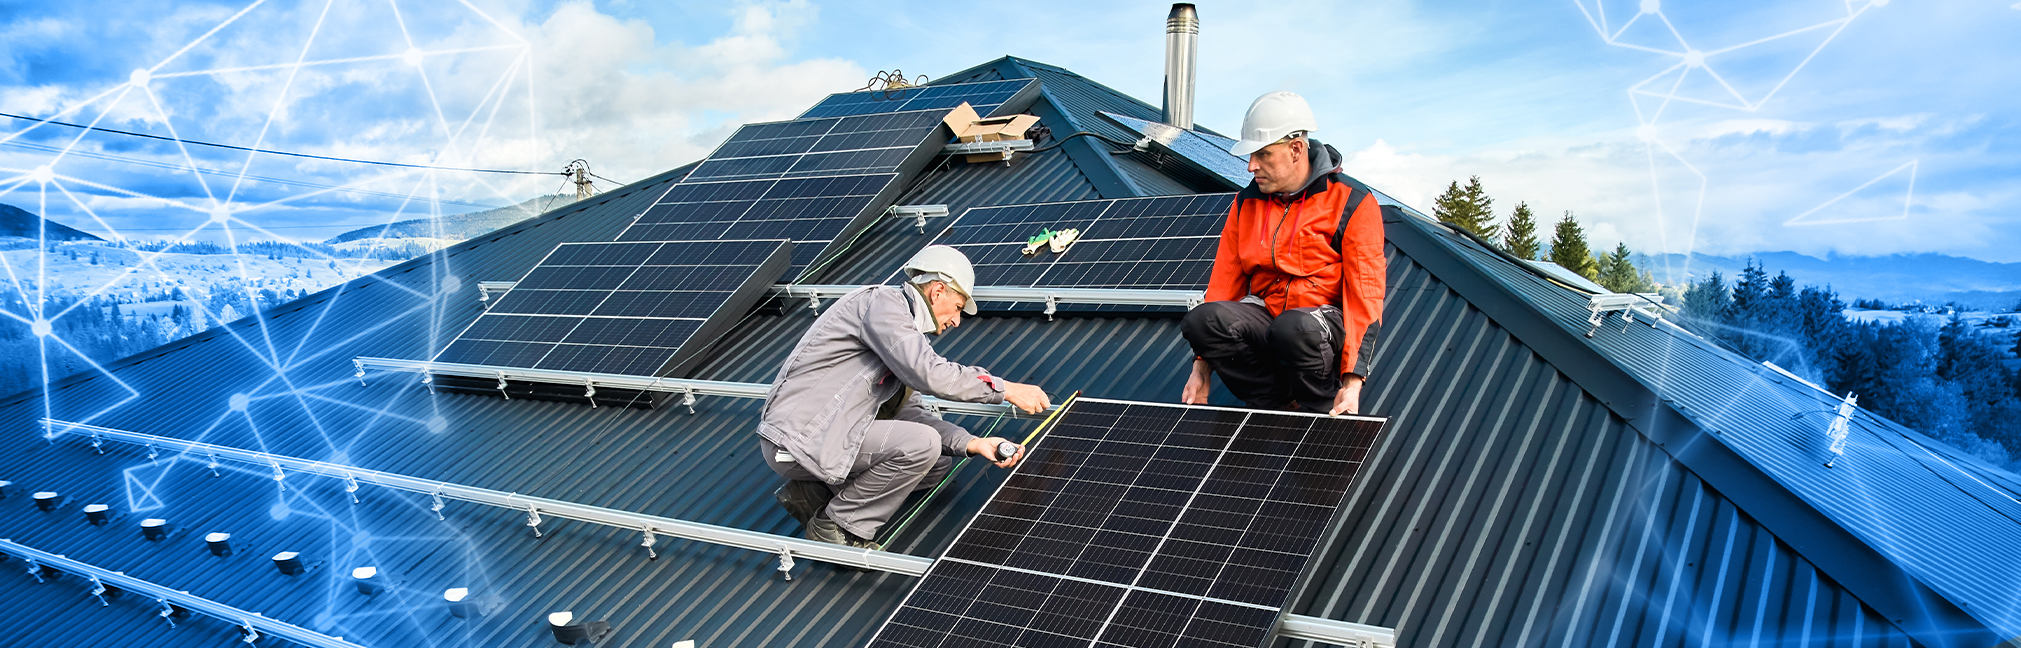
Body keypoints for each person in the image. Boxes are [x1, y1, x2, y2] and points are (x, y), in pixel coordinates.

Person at [756, 245, 1051, 549]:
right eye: (959, 306)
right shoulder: (883, 305)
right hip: (799, 439)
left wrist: (972, 443)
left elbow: (904, 412)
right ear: (937, 292)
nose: (957, 320)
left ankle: (819, 491)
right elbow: (929, 373)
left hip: (831, 437)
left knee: (935, 462)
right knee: (921, 446)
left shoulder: (901, 334)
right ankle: (837, 526)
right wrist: (1006, 390)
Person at [1180, 91, 1385, 415]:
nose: (1251, 166)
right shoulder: (1246, 203)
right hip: (1267, 317)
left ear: (1295, 149)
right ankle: (1272, 404)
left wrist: (1352, 382)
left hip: (1317, 326)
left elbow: (1365, 297)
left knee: (1293, 329)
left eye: (1262, 155)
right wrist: (1201, 369)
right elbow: (1224, 282)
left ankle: (1319, 405)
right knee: (1201, 320)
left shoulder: (1352, 203)